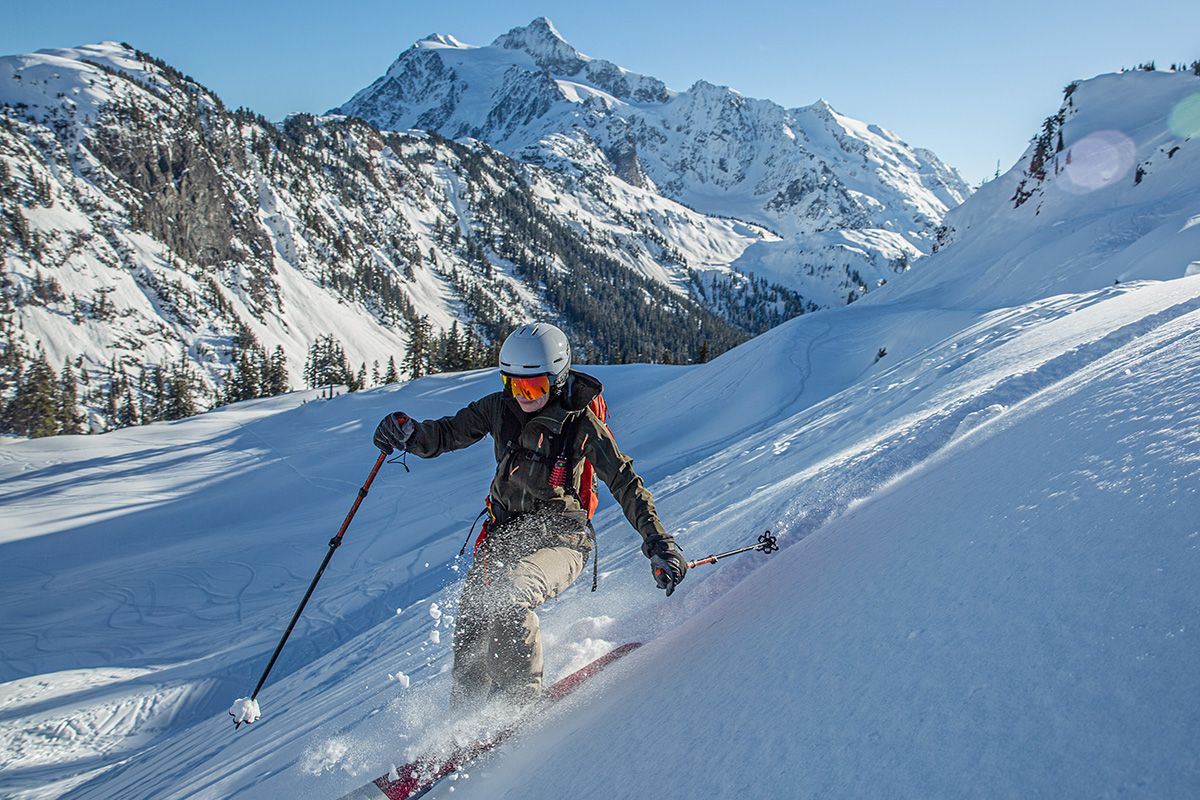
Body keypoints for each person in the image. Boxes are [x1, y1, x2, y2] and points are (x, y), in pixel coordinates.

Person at [373, 322, 686, 707]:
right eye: (515, 385)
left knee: (510, 596)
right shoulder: (498, 408)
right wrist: (409, 434)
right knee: (472, 626)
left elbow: (624, 480)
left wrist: (659, 542)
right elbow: (445, 434)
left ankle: (519, 705)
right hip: (503, 540)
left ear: (556, 380)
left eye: (534, 387)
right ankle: (466, 713)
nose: (523, 397)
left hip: (562, 539)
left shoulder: (580, 423)